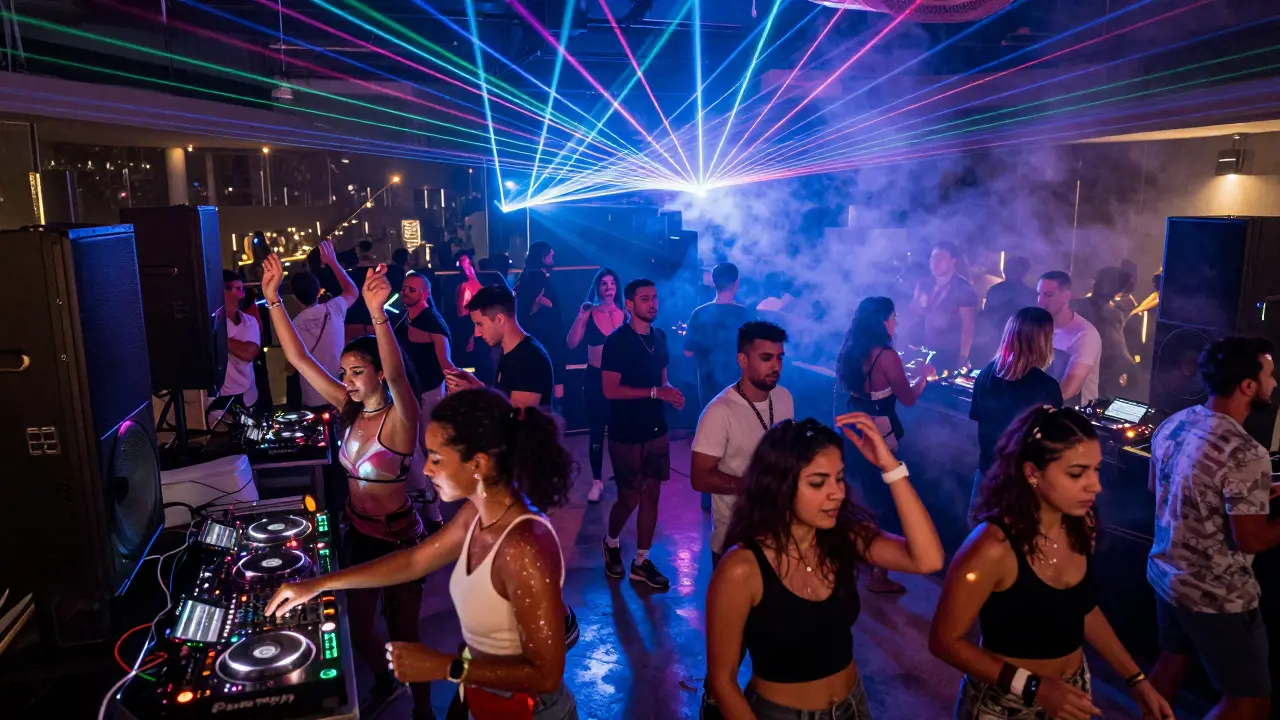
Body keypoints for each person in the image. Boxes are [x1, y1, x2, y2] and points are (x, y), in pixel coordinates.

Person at [266, 389, 578, 719]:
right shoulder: (478, 513)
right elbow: (414, 560)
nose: (426, 469)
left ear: (477, 463)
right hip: (484, 697)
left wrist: (443, 666)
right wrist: (319, 584)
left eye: (436, 458)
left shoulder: (524, 544)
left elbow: (545, 675)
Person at [259, 255, 433, 720]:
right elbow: (299, 359)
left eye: (357, 371)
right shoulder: (347, 407)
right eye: (344, 372)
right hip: (358, 534)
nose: (347, 380)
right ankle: (386, 683)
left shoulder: (402, 417)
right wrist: (273, 298)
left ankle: (423, 711)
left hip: (399, 540)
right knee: (357, 630)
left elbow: (399, 375)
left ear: (377, 372)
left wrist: (377, 313)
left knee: (405, 637)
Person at [929, 406, 1173, 720]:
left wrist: (1136, 679)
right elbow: (944, 641)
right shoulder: (991, 547)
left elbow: (1081, 607)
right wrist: (1034, 687)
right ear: (1033, 473)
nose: (1095, 486)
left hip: (1073, 693)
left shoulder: (1081, 525)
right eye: (1077, 473)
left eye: (1096, 470)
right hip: (1006, 704)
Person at [706, 417, 944, 719]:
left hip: (853, 707)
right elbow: (722, 681)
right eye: (818, 482)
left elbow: (928, 559)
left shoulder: (844, 538)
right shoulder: (742, 568)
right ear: (779, 487)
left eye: (839, 478)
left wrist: (890, 467)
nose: (838, 493)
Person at [1147, 337, 1279, 720]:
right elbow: (1251, 539)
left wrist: (1248, 496)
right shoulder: (1247, 452)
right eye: (1270, 374)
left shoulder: (1174, 423)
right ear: (1248, 386)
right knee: (1249, 703)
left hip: (1167, 576)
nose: (1274, 382)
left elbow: (1157, 487)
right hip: (1216, 595)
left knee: (1171, 662)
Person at [835, 297, 936, 594]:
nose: (896, 322)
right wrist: (923, 377)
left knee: (856, 493)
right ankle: (878, 575)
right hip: (879, 432)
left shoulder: (850, 349)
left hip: (852, 426)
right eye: (893, 317)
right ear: (882, 322)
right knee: (881, 498)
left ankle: (846, 560)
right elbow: (908, 399)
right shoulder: (886, 356)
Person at [601, 279, 685, 590]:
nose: (653, 304)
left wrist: (671, 393)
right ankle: (611, 542)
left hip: (656, 429)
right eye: (645, 298)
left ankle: (641, 561)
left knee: (652, 494)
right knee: (630, 497)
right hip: (626, 431)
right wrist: (655, 392)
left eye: (655, 298)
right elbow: (610, 390)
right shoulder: (617, 341)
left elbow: (663, 380)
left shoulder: (660, 337)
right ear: (629, 304)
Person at [692, 321, 794, 568]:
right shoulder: (719, 412)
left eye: (779, 358)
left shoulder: (784, 397)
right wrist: (756, 486)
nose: (776, 366)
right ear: (743, 360)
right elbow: (700, 478)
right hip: (736, 539)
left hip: (779, 532)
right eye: (766, 358)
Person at [968, 307, 1063, 519]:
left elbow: (977, 419)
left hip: (986, 475)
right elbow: (1050, 443)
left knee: (977, 535)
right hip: (1021, 486)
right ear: (1043, 341)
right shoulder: (1046, 387)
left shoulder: (985, 374)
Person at [566, 267, 626, 504]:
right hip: (595, 378)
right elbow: (571, 343)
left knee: (621, 431)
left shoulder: (625, 314)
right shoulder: (589, 313)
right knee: (597, 432)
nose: (609, 287)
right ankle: (597, 482)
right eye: (604, 283)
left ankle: (622, 475)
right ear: (597, 287)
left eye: (612, 283)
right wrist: (581, 315)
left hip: (621, 380)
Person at [446, 284, 554, 409]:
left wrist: (473, 396)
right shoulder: (510, 352)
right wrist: (475, 387)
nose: (477, 333)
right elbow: (504, 402)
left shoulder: (528, 358)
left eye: (480, 324)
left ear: (499, 319)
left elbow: (517, 417)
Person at [290, 241, 359, 409]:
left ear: (295, 296)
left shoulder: (293, 325)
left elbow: (291, 365)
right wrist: (333, 262)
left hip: (313, 395)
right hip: (341, 390)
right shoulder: (334, 309)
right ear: (319, 290)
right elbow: (352, 291)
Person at [685, 263, 753, 409]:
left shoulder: (699, 313)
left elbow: (688, 352)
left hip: (709, 390)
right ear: (736, 283)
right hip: (740, 388)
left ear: (713, 283)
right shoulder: (745, 315)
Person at [1036, 271, 1102, 406]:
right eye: (1039, 294)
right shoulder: (1039, 328)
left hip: (1073, 413)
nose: (1040, 301)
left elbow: (1068, 390)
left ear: (1066, 296)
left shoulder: (1085, 334)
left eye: (1048, 295)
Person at [395, 271, 454, 419]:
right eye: (404, 288)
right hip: (406, 389)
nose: (405, 292)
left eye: (411, 290)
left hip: (429, 392)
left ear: (425, 294)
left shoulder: (434, 324)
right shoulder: (401, 317)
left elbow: (445, 363)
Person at [910, 241, 977, 370]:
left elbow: (968, 326)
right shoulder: (924, 284)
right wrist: (918, 302)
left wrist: (963, 357)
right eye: (932, 258)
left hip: (950, 351)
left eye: (940, 259)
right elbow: (914, 313)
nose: (934, 263)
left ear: (952, 261)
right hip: (925, 348)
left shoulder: (963, 287)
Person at [208, 269, 261, 425]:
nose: (243, 294)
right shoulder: (212, 322)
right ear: (223, 292)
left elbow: (250, 353)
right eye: (238, 289)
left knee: (251, 435)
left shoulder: (250, 321)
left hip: (249, 394)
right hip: (222, 397)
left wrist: (219, 339)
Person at [1075, 266, 1136, 401]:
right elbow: (1117, 348)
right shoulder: (1110, 315)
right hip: (1090, 376)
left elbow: (1118, 347)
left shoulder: (1077, 307)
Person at [514, 241, 564, 400]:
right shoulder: (537, 278)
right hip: (544, 337)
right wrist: (544, 304)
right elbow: (531, 307)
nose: (553, 259)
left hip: (538, 336)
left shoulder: (526, 277)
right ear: (543, 257)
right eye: (550, 256)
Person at [979, 255, 1037, 361]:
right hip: (993, 342)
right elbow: (987, 315)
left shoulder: (1030, 295)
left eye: (1015, 267)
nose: (1010, 270)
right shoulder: (995, 290)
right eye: (1008, 266)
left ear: (1023, 272)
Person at [453, 250, 496, 387]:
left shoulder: (480, 281)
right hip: (475, 330)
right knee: (482, 362)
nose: (464, 266)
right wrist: (471, 334)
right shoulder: (464, 286)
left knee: (487, 362)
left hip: (485, 327)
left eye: (466, 262)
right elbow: (463, 313)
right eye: (461, 263)